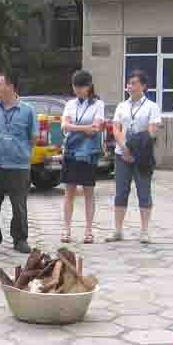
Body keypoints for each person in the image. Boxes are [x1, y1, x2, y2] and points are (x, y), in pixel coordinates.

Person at [0, 71, 38, 255]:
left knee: (19, 206)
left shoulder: (28, 111)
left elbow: (33, 138)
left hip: (18, 166)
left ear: (11, 86)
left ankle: (20, 240)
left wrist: (19, 151)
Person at [109, 70, 161, 243]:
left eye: (134, 83)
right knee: (121, 192)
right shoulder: (121, 106)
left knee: (144, 192)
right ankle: (118, 230)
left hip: (142, 156)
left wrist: (134, 148)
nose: (130, 86)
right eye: (129, 83)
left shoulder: (152, 107)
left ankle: (145, 231)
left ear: (143, 86)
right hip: (121, 154)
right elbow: (116, 129)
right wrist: (125, 148)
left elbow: (152, 131)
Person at [60, 70, 105, 243]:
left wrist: (76, 127)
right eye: (75, 86)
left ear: (89, 86)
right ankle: (66, 229)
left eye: (81, 86)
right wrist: (85, 128)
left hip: (88, 153)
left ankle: (88, 230)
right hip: (71, 151)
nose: (78, 90)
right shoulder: (70, 104)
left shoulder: (98, 104)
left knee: (88, 192)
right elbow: (65, 126)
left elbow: (96, 128)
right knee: (69, 191)